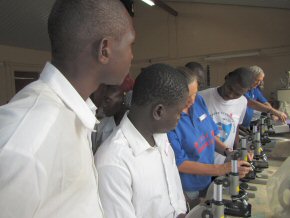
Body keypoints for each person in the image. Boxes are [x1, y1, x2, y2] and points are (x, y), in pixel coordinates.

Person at [0, 1, 135, 218]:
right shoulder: (26, 142)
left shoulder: (74, 115)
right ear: (104, 50)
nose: (132, 55)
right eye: (131, 44)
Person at [95, 64, 188, 218]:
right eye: (178, 112)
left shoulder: (161, 136)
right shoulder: (113, 162)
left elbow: (173, 191)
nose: (182, 116)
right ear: (159, 111)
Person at [168, 67, 251, 208]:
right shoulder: (169, 120)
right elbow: (180, 163)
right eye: (186, 96)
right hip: (187, 188)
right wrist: (222, 169)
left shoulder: (199, 101)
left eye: (194, 94)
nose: (192, 100)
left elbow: (209, 136)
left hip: (207, 180)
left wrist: (228, 152)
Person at [199, 67, 254, 164]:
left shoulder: (242, 102)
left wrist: (237, 151)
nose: (231, 95)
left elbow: (235, 127)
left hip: (225, 160)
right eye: (230, 88)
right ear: (227, 77)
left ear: (247, 91)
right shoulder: (200, 98)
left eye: (237, 94)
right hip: (202, 164)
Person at [94, 75, 134, 150]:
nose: (102, 105)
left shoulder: (136, 129)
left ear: (125, 97)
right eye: (101, 99)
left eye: (107, 100)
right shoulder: (98, 127)